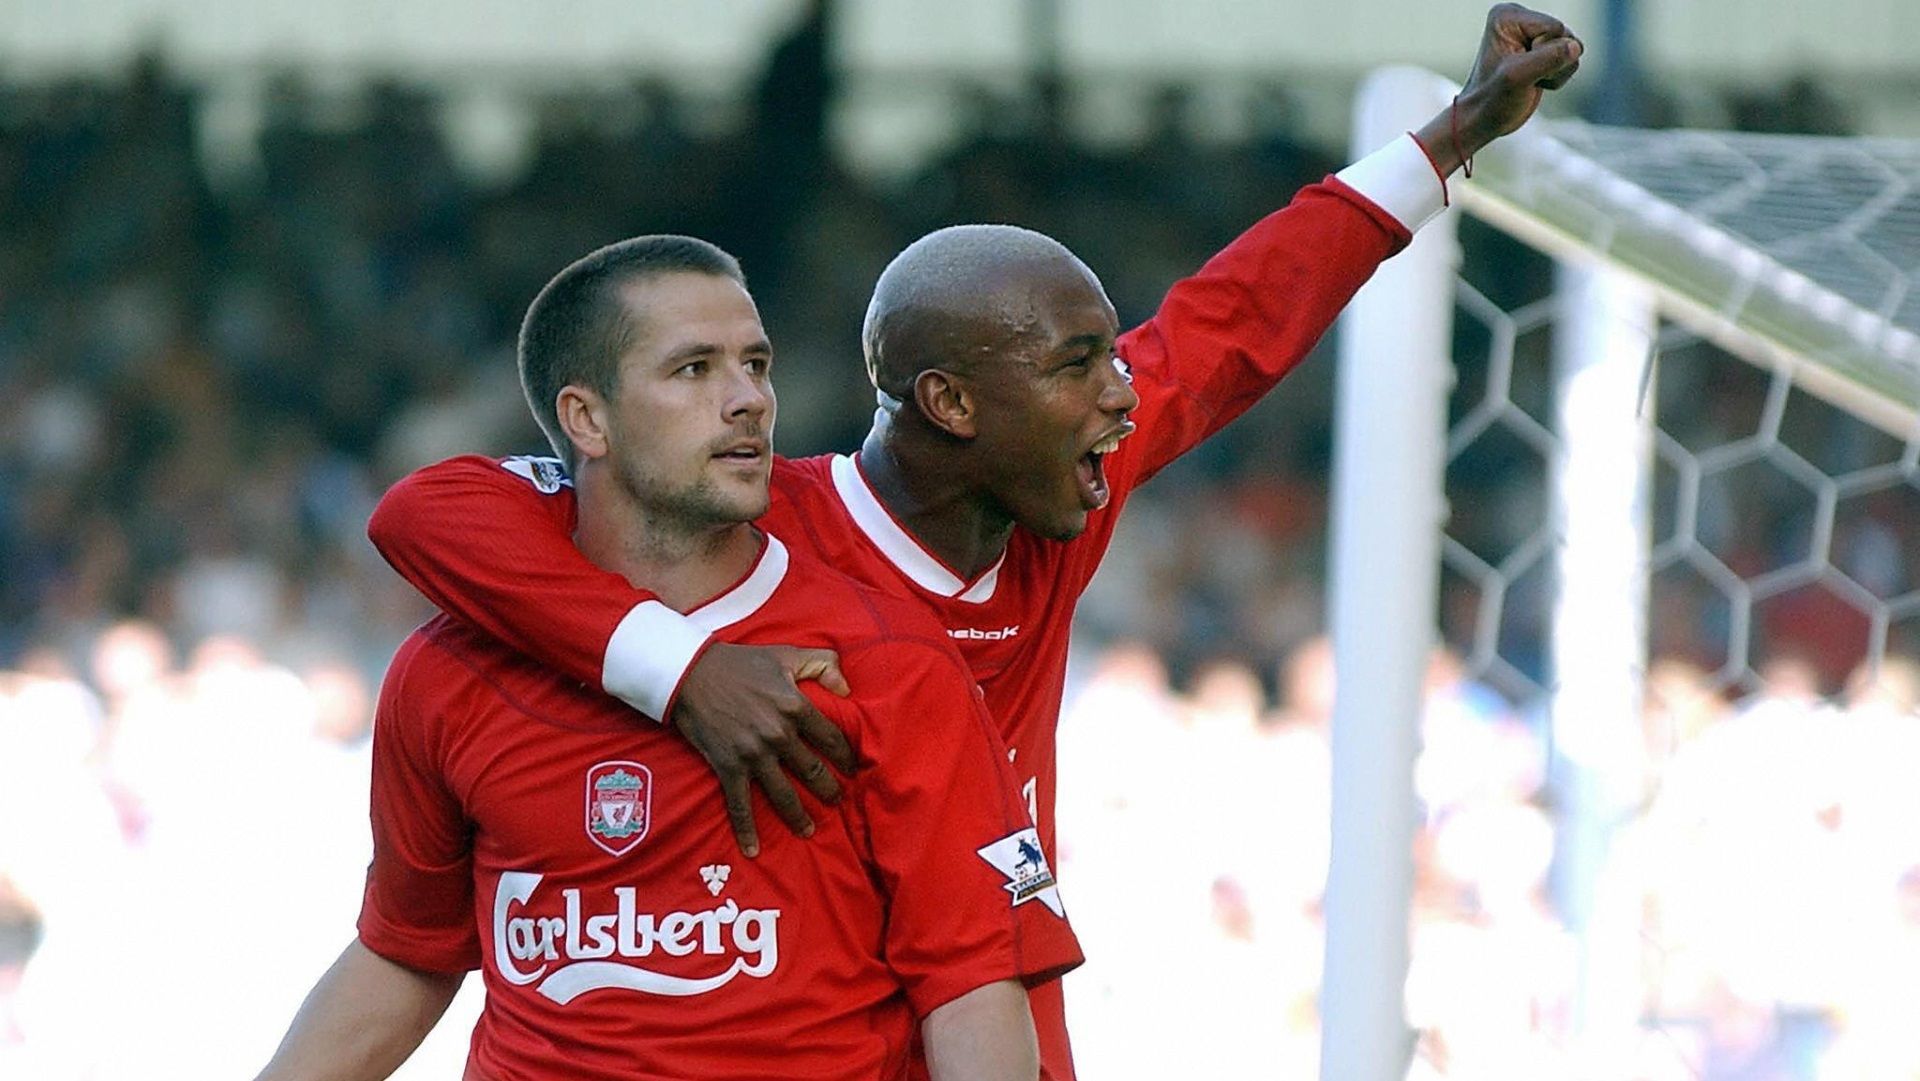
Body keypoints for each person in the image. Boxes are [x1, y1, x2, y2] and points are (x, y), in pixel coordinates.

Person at [365, 8, 1582, 1078]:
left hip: (982, 991)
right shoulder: (753, 517)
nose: (1121, 394)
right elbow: (427, 513)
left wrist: (1449, 139)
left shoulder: (1060, 486)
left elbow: (1231, 324)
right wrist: (678, 666)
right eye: (1077, 365)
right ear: (950, 404)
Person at [256, 237, 1079, 1081]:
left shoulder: (887, 660)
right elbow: (407, 951)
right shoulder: (446, 673)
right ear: (587, 420)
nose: (748, 399)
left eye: (755, 364)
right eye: (694, 369)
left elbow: (973, 988)